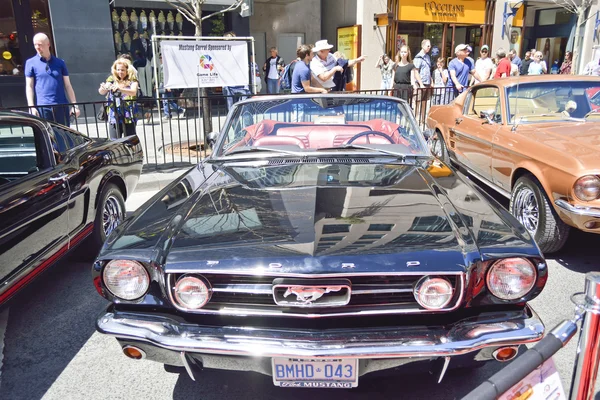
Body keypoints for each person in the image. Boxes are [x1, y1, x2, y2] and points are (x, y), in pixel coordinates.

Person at [25, 33, 80, 127]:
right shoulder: (30, 63)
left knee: (64, 135)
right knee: (48, 137)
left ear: (48, 44)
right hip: (43, 107)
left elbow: (67, 85)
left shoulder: (60, 63)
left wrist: (75, 105)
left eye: (40, 44)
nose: (37, 47)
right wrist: (31, 106)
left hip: (61, 105)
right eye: (35, 44)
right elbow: (29, 86)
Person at [98, 58, 139, 139]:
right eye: (118, 70)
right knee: (114, 141)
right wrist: (104, 88)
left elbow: (133, 91)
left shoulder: (132, 79)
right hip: (114, 115)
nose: (120, 72)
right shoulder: (111, 79)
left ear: (127, 70)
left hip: (128, 115)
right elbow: (101, 92)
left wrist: (119, 89)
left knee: (130, 140)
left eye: (122, 70)